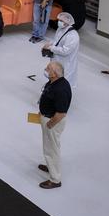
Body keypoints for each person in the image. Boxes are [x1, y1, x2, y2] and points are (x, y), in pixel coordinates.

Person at [37, 60, 71, 190]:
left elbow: (61, 113)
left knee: (52, 149)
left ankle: (55, 179)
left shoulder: (61, 89)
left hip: (53, 121)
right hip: (47, 117)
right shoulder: (54, 82)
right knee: (49, 147)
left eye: (48, 69)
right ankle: (50, 166)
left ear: (55, 73)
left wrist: (50, 124)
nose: (46, 69)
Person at [42, 11, 79, 88]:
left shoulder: (72, 35)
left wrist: (51, 48)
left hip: (66, 63)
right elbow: (56, 40)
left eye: (61, 21)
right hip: (57, 60)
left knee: (63, 82)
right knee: (54, 77)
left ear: (67, 22)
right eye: (59, 20)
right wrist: (49, 44)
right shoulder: (60, 29)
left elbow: (65, 51)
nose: (59, 22)